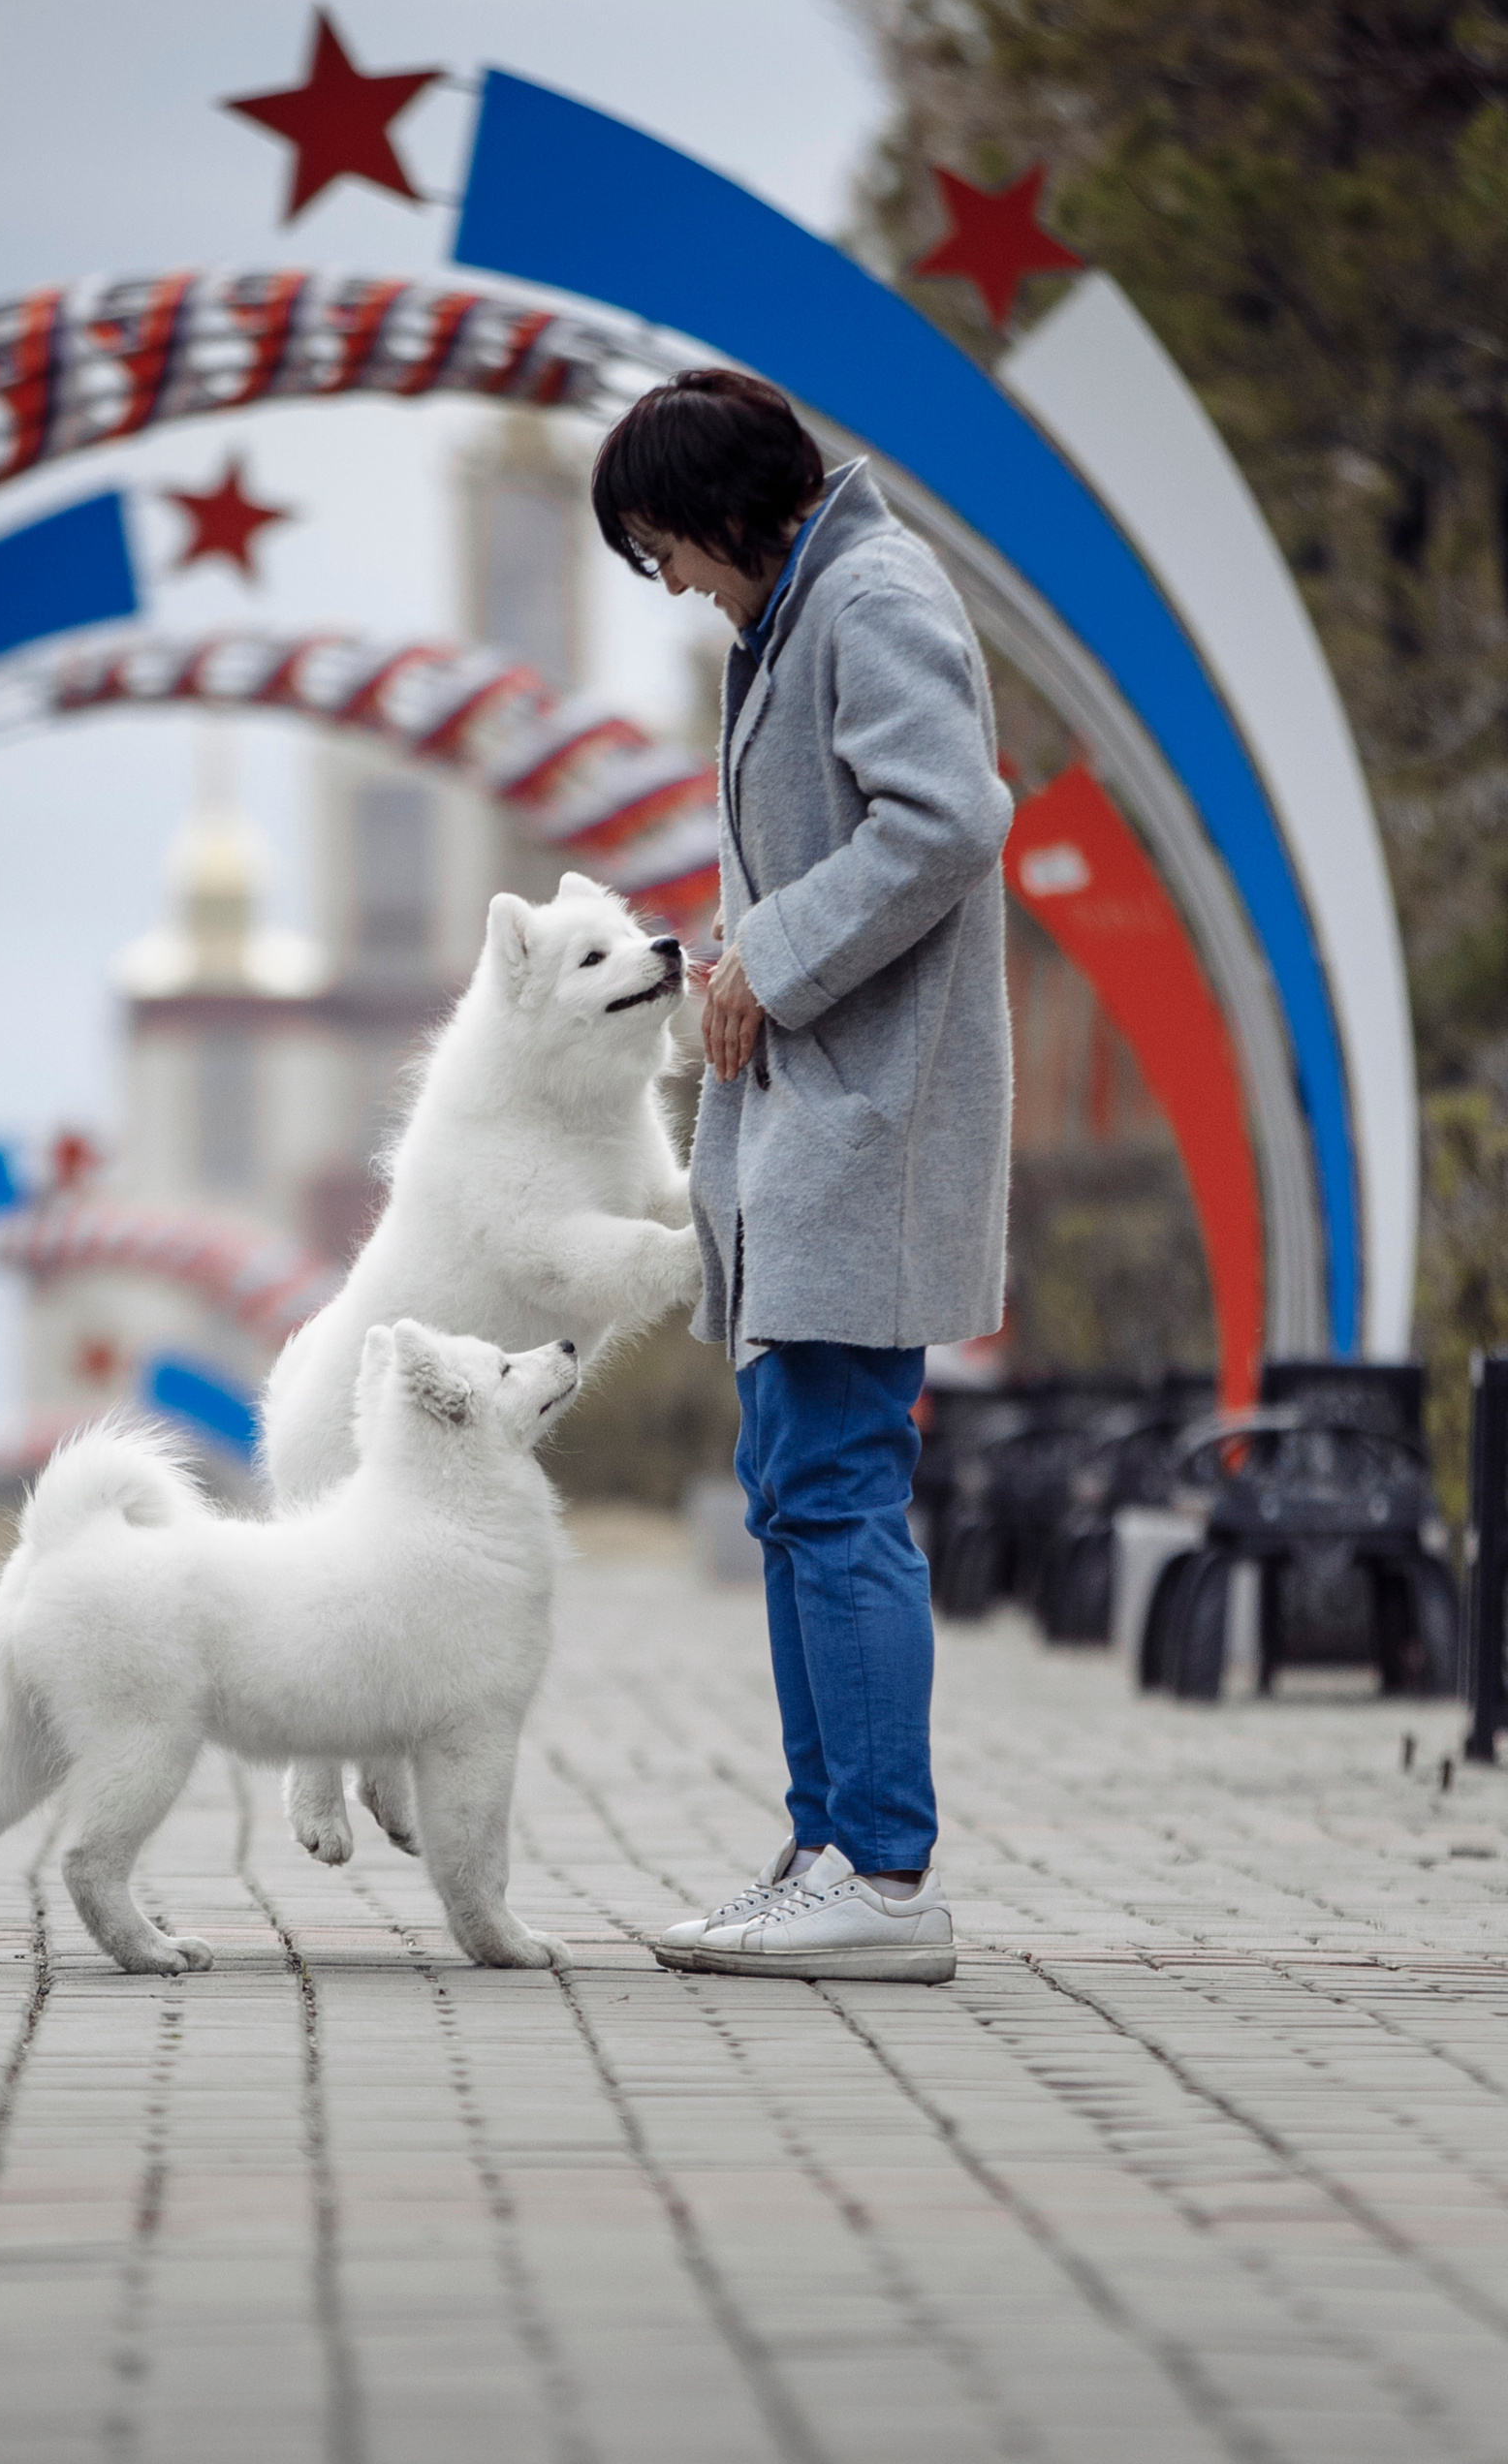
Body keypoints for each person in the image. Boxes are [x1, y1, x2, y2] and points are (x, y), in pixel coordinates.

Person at [591, 369, 1012, 1983]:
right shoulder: (794, 611)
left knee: (837, 1495)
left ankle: (885, 1878)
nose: (674, 582)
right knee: (796, 1494)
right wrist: (739, 968)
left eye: (667, 549)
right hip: (806, 1131)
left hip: (865, 1125)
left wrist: (768, 953)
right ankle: (827, 1848)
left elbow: (946, 822)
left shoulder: (873, 592)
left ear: (723, 510)